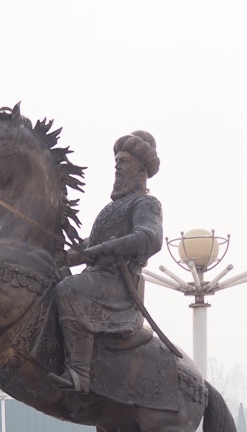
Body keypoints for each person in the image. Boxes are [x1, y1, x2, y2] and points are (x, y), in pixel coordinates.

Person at [50, 131, 163, 393]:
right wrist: (68, 255)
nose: (117, 167)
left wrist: (103, 249)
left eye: (124, 161)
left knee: (68, 288)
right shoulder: (113, 207)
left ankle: (79, 372)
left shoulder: (147, 203)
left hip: (119, 285)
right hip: (97, 277)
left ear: (141, 168)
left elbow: (150, 237)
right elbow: (93, 245)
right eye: (116, 162)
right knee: (53, 276)